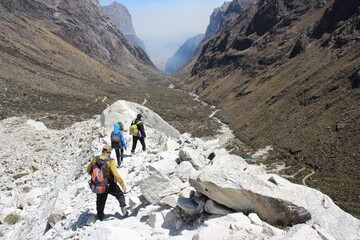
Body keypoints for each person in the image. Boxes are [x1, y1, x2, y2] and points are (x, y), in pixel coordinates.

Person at [87, 144, 128, 220]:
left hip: (99, 185)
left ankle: (100, 215)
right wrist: (122, 184)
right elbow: (115, 174)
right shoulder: (111, 161)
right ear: (109, 152)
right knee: (119, 194)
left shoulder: (95, 159)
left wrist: (97, 178)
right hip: (110, 184)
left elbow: (88, 170)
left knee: (100, 200)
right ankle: (124, 210)